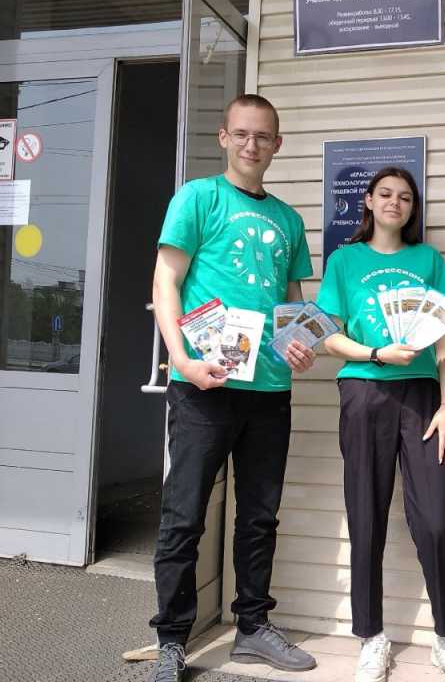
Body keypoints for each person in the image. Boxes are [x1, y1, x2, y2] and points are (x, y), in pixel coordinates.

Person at [148, 94, 318, 682]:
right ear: (223, 137)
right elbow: (165, 281)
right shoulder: (198, 198)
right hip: (203, 383)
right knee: (184, 515)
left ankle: (252, 626)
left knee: (260, 516)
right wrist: (180, 360)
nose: (252, 145)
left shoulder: (289, 220)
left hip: (269, 391)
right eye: (242, 134)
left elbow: (292, 303)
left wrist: (299, 343)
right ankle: (172, 640)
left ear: (277, 144)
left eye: (263, 136)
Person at [316, 167, 445, 682]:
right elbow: (328, 337)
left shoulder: (428, 260)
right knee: (365, 515)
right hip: (364, 389)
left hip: (423, 395)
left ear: (413, 208)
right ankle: (372, 637)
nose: (395, 202)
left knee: (436, 519)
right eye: (385, 194)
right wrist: (376, 353)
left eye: (405, 197)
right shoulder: (344, 261)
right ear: (368, 200)